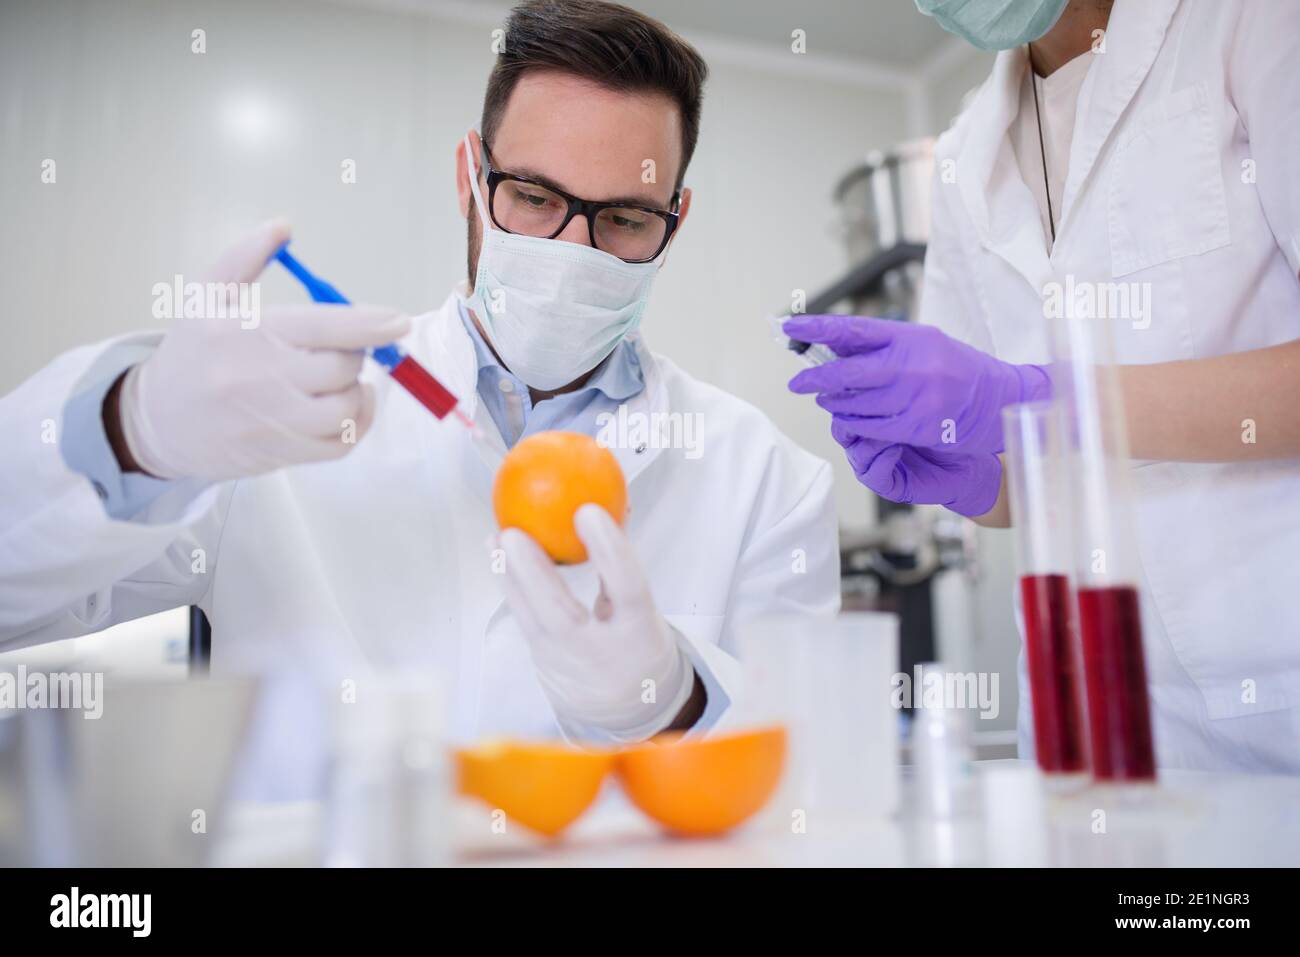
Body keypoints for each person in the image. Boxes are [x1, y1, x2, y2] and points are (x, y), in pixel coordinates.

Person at [0, 0, 838, 757]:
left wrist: (674, 703)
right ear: (470, 176)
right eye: (535, 197)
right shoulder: (279, 414)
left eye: (624, 218)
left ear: (675, 220)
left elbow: (815, 786)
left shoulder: (765, 480)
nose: (572, 253)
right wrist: (130, 433)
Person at [787, 0, 1300, 773]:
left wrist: (1033, 402)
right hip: (1086, 723)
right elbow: (1015, 487)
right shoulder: (965, 156)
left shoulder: (1248, 21)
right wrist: (962, 470)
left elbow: (1029, 402)